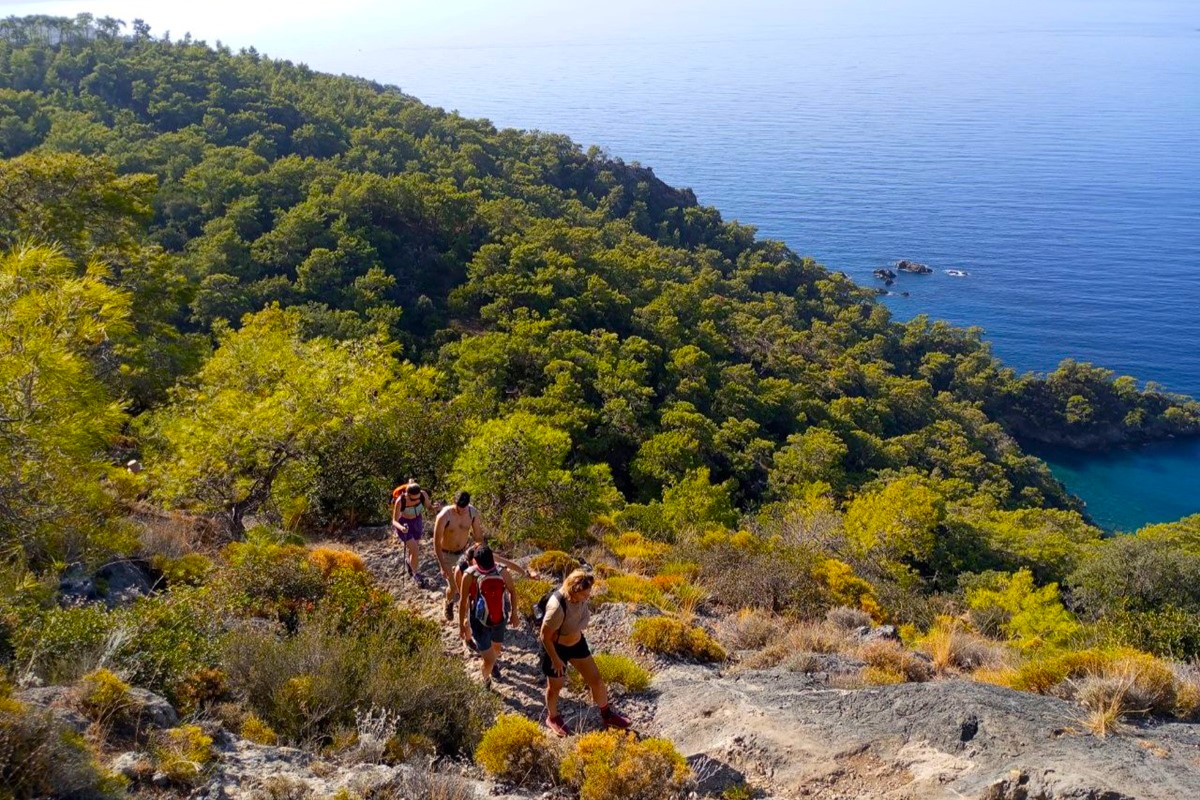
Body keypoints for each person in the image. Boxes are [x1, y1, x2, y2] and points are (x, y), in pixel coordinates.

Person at [540, 569, 631, 736]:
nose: (587, 597)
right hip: (557, 648)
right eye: (584, 595)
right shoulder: (556, 607)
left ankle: (607, 714)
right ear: (573, 591)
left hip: (577, 644)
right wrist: (555, 659)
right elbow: (544, 636)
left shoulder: (580, 597)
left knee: (596, 681)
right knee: (555, 687)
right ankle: (552, 717)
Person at [458, 545, 519, 690]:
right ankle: (486, 680)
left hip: (499, 618)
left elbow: (512, 591)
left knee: (496, 649)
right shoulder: (469, 575)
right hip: (479, 622)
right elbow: (462, 601)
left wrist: (514, 614)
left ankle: (490, 666)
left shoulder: (502, 571)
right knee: (490, 659)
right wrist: (461, 624)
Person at [433, 491, 485, 620]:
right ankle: (448, 602)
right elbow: (436, 543)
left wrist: (479, 554)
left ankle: (470, 614)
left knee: (471, 583)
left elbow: (478, 536)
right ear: (453, 502)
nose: (461, 511)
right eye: (459, 508)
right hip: (447, 554)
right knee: (454, 587)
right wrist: (442, 565)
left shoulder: (472, 513)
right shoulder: (444, 515)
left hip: (464, 553)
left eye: (464, 508)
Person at [392, 481, 432, 584]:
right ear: (407, 494)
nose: (417, 500)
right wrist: (401, 528)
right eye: (413, 499)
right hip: (404, 525)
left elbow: (429, 507)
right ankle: (416, 574)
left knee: (413, 549)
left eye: (418, 498)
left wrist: (435, 508)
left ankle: (409, 563)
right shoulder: (401, 501)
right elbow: (394, 521)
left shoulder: (423, 495)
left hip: (417, 522)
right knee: (414, 549)